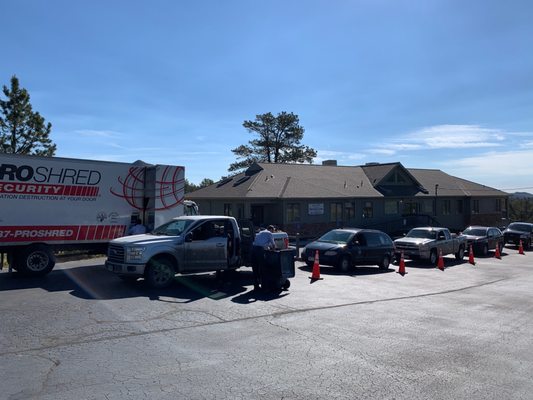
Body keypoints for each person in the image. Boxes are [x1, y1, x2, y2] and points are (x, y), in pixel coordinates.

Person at [251, 225, 276, 290]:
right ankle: (264, 286)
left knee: (255, 268)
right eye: (273, 230)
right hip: (259, 250)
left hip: (253, 249)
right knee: (263, 268)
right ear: (271, 229)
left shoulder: (260, 232)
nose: (273, 232)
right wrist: (273, 250)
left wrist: (268, 247)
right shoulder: (269, 233)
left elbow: (265, 243)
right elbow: (273, 245)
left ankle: (256, 285)